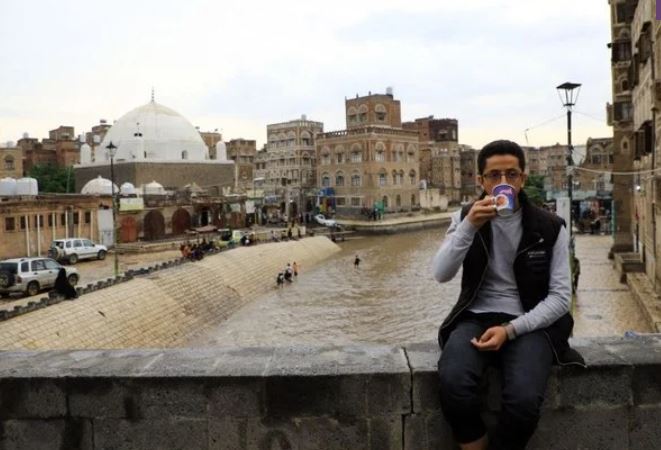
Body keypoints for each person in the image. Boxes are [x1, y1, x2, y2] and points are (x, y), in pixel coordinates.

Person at [431, 140, 584, 450]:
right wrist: (469, 228)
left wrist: (511, 329)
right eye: (494, 176)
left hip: (530, 321)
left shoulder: (550, 227)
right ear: (481, 181)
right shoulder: (465, 218)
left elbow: (559, 298)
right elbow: (441, 274)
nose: (503, 183)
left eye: (511, 175)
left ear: (523, 179)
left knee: (524, 400)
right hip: (475, 316)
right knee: (453, 383)